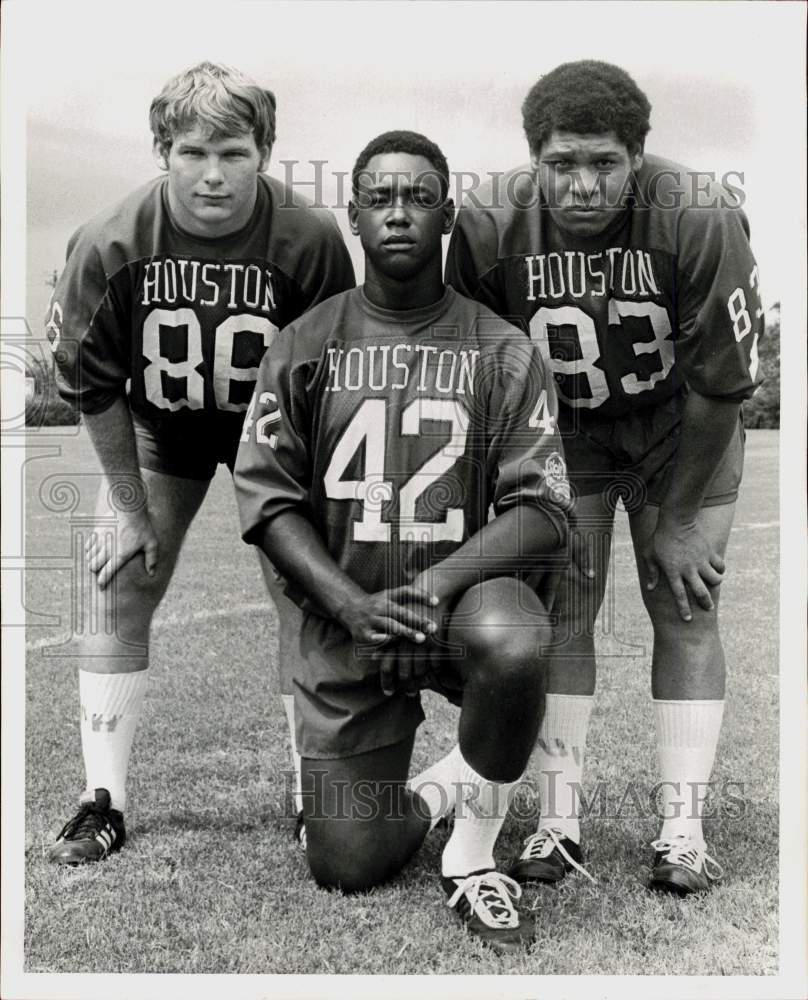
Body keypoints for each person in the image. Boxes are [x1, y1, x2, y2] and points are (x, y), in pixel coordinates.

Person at [234, 130, 570, 949]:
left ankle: (471, 858)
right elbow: (268, 503)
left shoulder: (503, 347)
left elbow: (544, 508)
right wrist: (350, 607)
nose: (398, 214)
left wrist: (438, 586)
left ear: (447, 215)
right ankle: (432, 796)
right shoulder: (305, 344)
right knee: (346, 863)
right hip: (350, 622)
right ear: (353, 216)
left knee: (516, 639)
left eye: (419, 198)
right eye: (380, 198)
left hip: (459, 611)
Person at [441, 60, 764, 895]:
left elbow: (722, 382)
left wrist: (682, 516)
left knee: (684, 600)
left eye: (604, 164)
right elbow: (477, 369)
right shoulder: (487, 222)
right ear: (533, 157)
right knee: (562, 612)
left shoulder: (695, 213)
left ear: (638, 155)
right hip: (566, 430)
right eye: (562, 165)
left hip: (678, 425)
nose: (583, 185)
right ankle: (558, 822)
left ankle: (683, 830)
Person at [45, 61, 355, 865]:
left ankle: (308, 788)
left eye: (234, 153)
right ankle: (101, 797)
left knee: (305, 595)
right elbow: (92, 385)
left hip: (276, 436)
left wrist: (313, 500)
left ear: (265, 151)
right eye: (192, 152)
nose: (213, 175)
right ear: (162, 149)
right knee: (117, 582)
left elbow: (332, 382)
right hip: (164, 428)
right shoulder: (110, 240)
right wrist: (127, 506)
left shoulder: (311, 239)